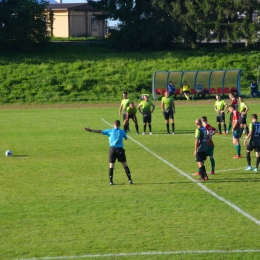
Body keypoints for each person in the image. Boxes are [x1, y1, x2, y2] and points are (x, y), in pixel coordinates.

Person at [84, 120, 133, 185]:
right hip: (120, 150)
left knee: (111, 166)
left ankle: (111, 181)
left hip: (112, 149)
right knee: (124, 165)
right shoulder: (122, 131)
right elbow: (126, 138)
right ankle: (130, 180)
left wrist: (90, 130)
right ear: (120, 125)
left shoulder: (110, 131)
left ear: (113, 124)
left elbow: (99, 131)